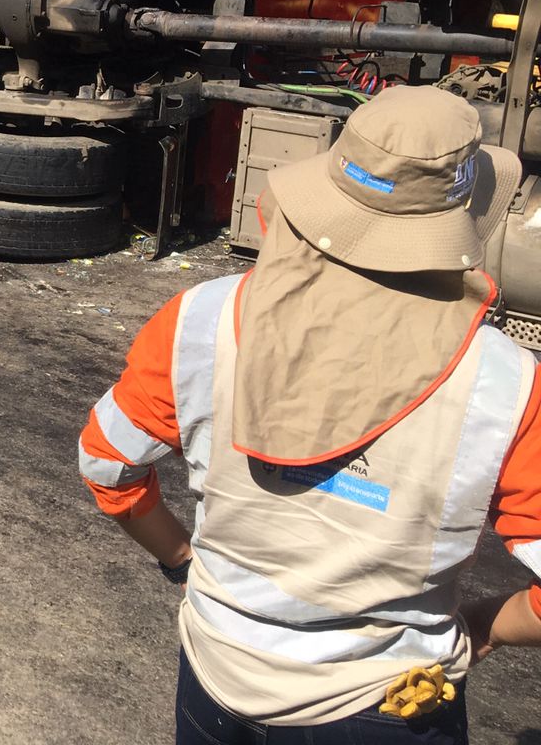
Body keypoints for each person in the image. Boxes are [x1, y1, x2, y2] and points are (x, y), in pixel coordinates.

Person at [79, 85, 541, 743]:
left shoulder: (200, 320)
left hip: (217, 677)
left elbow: (106, 464)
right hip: (390, 702)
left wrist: (183, 557)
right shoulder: (506, 381)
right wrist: (479, 627)